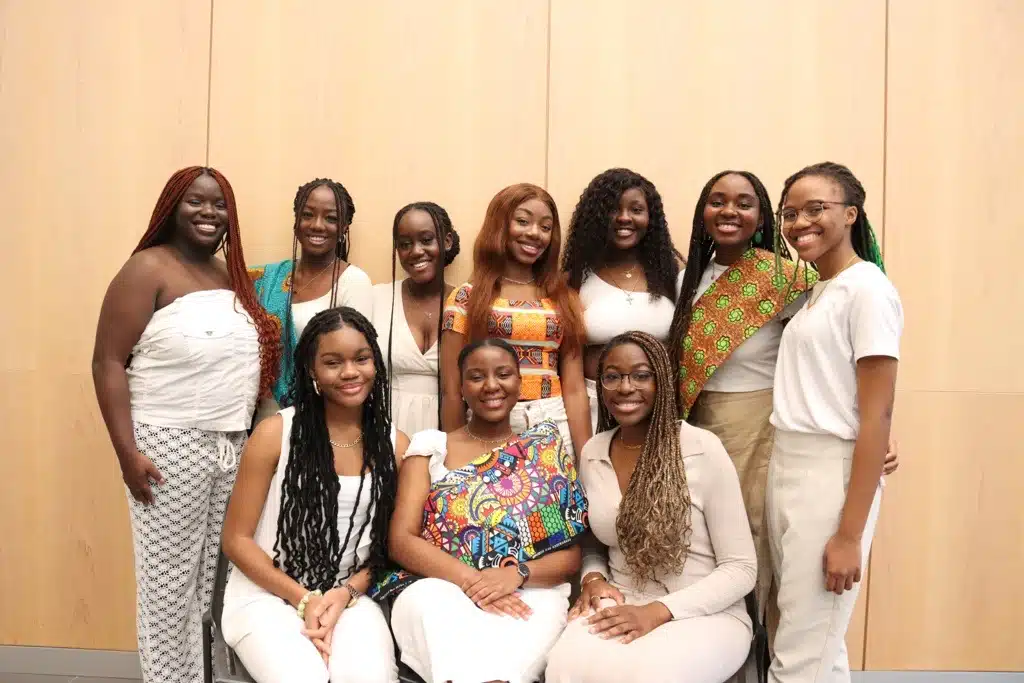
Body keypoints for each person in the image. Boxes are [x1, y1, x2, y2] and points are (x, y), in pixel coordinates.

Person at [667, 170, 899, 639]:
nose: (730, 211)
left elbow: (853, 373)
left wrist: (878, 435)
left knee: (768, 563)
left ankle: (761, 655)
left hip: (765, 435)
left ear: (760, 218)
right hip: (699, 429)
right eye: (717, 201)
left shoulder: (789, 278)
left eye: (745, 203)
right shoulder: (680, 279)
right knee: (703, 545)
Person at [91, 166, 279, 683]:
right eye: (196, 202)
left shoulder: (227, 274)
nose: (208, 213)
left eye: (219, 205)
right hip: (166, 445)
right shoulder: (146, 269)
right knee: (169, 584)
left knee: (215, 584)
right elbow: (108, 362)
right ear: (173, 206)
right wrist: (126, 453)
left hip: (231, 446)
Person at [546, 331, 756, 683]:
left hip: (704, 612)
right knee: (565, 667)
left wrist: (658, 612)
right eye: (612, 377)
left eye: (641, 375)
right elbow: (596, 541)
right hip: (622, 600)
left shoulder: (701, 447)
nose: (626, 387)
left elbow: (741, 568)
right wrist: (594, 579)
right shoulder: (594, 451)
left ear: (662, 382)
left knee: (642, 675)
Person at [380, 338, 588, 683]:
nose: (491, 385)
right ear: (461, 387)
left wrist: (516, 574)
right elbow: (401, 540)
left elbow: (567, 556)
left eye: (503, 374)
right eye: (477, 377)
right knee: (432, 610)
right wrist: (475, 582)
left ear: (520, 383)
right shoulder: (432, 447)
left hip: (527, 590)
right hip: (439, 585)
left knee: (511, 653)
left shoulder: (539, 456)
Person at [768, 162, 902, 683]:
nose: (800, 221)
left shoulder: (867, 289)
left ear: (851, 214)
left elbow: (878, 415)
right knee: (820, 640)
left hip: (829, 474)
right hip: (791, 464)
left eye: (816, 208)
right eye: (790, 213)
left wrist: (849, 536)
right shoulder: (818, 290)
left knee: (801, 653)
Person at [221, 307, 402, 683]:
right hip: (267, 594)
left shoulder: (394, 446)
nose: (350, 372)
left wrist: (344, 594)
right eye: (333, 362)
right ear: (312, 372)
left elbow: (389, 547)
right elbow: (236, 540)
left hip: (349, 598)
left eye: (361, 359)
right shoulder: (275, 434)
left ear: (375, 365)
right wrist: (304, 599)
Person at [440, 183, 591, 456]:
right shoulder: (467, 298)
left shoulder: (564, 299)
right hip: (488, 426)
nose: (535, 233)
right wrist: (455, 457)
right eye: (523, 221)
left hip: (554, 424)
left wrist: (587, 460)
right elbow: (451, 391)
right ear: (500, 224)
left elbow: (575, 389)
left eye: (545, 227)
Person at [561, 168, 684, 429]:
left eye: (636, 210)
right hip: (597, 410)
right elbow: (571, 382)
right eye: (613, 209)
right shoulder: (575, 280)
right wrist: (585, 452)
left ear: (651, 218)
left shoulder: (671, 273)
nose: (624, 218)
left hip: (661, 412)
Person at [250, 177, 373, 411]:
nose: (317, 225)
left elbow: (355, 361)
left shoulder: (353, 282)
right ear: (296, 221)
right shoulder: (269, 278)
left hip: (323, 413)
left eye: (331, 218)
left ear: (344, 228)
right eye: (308, 215)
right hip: (267, 410)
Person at [370, 202, 460, 435]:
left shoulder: (466, 303)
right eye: (405, 244)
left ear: (447, 241)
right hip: (384, 429)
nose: (416, 251)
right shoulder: (377, 298)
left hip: (450, 428)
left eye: (427, 240)